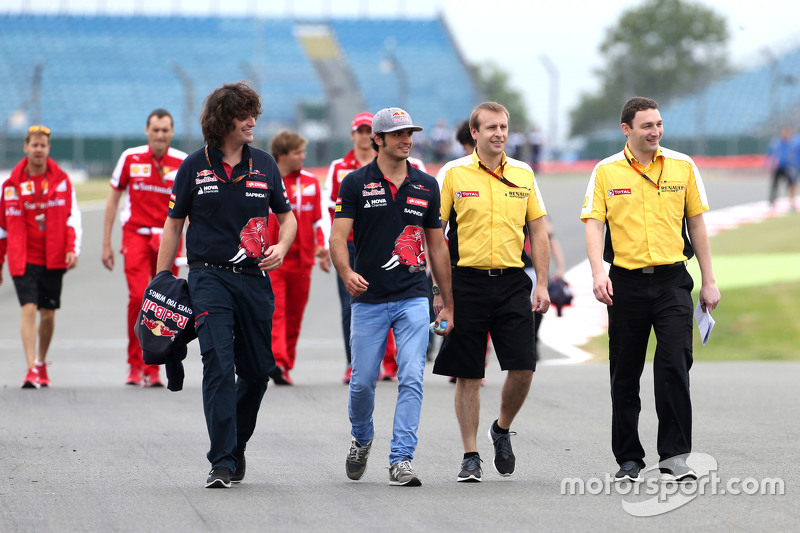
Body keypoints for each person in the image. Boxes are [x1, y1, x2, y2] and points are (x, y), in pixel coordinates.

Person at [156, 81, 297, 488]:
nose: (252, 121)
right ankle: (220, 460)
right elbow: (173, 224)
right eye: (243, 115)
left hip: (254, 280)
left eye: (254, 113)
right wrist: (161, 281)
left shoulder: (266, 165)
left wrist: (283, 246)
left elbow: (287, 219)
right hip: (207, 277)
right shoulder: (193, 167)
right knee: (217, 364)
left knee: (256, 372)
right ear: (224, 122)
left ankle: (236, 446)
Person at [580, 96, 721, 483]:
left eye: (658, 124)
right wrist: (597, 272)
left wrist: (709, 280)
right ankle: (628, 458)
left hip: (673, 281)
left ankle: (675, 456)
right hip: (624, 282)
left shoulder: (682, 165)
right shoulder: (606, 171)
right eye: (646, 125)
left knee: (674, 364)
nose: (655, 131)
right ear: (626, 129)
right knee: (624, 373)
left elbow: (697, 224)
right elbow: (593, 224)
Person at [330, 106, 453, 487]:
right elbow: (337, 237)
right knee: (363, 381)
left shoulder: (426, 184)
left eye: (410, 133)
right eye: (398, 134)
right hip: (367, 299)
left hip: (413, 296)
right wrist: (347, 272)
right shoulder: (354, 183)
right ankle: (362, 438)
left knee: (412, 376)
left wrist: (446, 299)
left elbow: (437, 247)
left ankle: (401, 458)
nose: (407, 139)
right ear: (377, 140)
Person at [432, 102, 551, 483]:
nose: (499, 134)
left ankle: (501, 429)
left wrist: (544, 283)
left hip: (513, 281)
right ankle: (470, 454)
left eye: (504, 127)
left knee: (524, 366)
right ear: (475, 133)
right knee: (468, 373)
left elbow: (539, 230)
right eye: (491, 128)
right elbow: (434, 236)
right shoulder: (452, 173)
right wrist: (439, 290)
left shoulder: (523, 172)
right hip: (464, 282)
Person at [324, 112, 428, 384]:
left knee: (400, 305)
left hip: (398, 247)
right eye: (359, 130)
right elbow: (330, 214)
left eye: (409, 134)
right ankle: (355, 363)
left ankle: (391, 363)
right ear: (369, 138)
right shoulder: (342, 169)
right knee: (353, 307)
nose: (362, 134)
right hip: (352, 248)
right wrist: (328, 246)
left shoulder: (415, 166)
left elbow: (426, 217)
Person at [102, 109, 188, 387]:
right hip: (136, 237)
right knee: (139, 297)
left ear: (172, 132)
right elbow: (113, 200)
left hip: (168, 240)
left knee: (164, 305)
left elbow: (190, 209)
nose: (160, 135)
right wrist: (106, 243)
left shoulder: (183, 161)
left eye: (165, 130)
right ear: (147, 130)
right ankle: (135, 363)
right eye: (155, 129)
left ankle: (154, 368)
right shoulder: (130, 157)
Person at [0, 125, 82, 388]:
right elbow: (2, 228)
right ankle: (31, 368)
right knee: (28, 308)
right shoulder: (10, 185)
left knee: (47, 314)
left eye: (43, 145)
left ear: (48, 149)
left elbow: (72, 218)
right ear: (26, 147)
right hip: (22, 257)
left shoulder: (61, 180)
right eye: (34, 145)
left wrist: (72, 248)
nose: (38, 149)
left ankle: (42, 361)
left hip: (53, 256)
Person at [267, 130, 331, 385]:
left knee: (295, 314)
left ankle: (285, 365)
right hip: (275, 258)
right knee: (277, 312)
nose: (303, 157)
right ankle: (278, 361)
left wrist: (321, 246)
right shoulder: (267, 180)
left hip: (303, 260)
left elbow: (318, 220)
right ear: (282, 155)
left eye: (303, 152)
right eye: (298, 153)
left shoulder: (310, 182)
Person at [766, 127, 794, 210]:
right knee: (774, 185)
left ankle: (791, 202)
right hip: (777, 167)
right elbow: (769, 155)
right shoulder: (775, 144)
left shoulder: (791, 143)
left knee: (791, 184)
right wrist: (769, 167)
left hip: (787, 167)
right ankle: (772, 201)